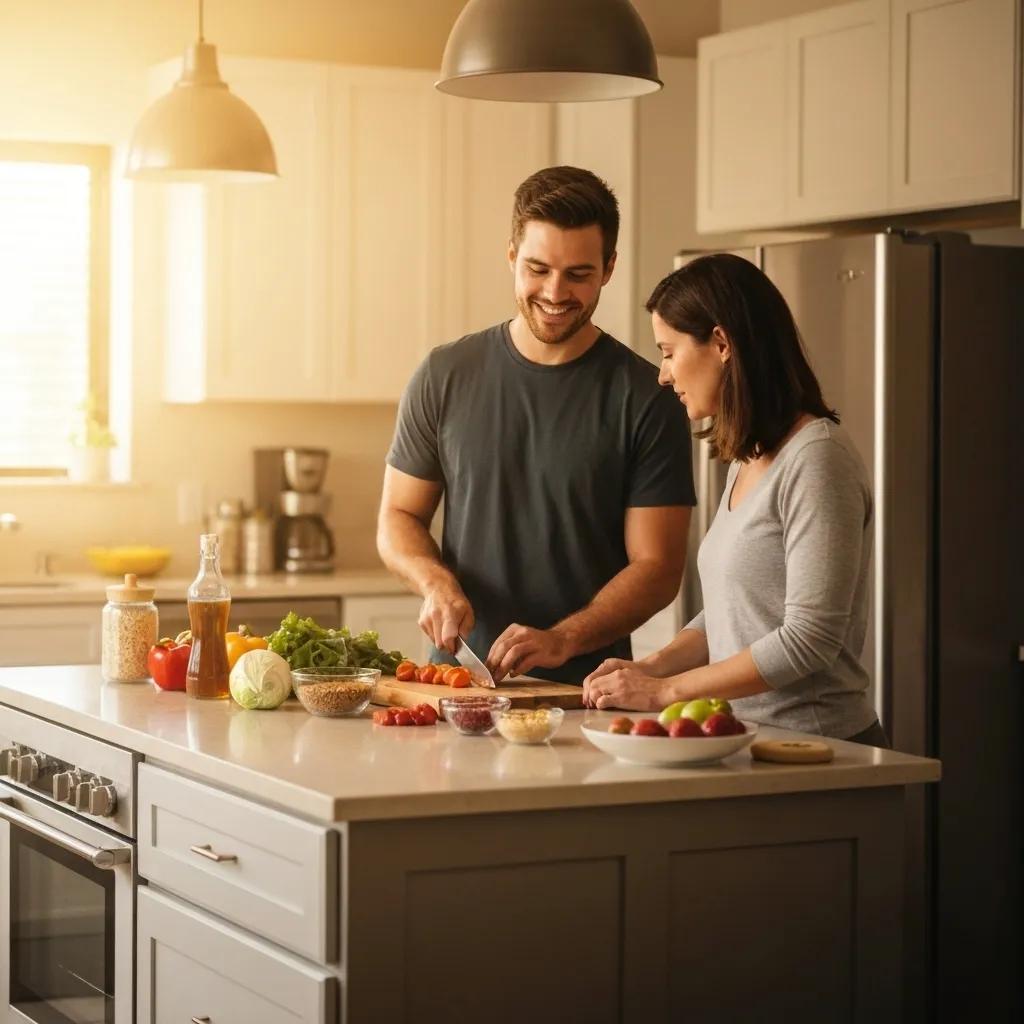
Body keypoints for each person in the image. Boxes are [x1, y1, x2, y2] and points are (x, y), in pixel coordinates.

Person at [377, 166, 695, 684]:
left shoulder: (648, 397)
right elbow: (398, 516)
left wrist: (562, 639)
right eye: (537, 268)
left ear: (609, 268)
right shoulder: (444, 375)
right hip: (456, 685)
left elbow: (658, 568)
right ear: (511, 256)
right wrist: (434, 582)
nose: (554, 292)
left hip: (588, 695)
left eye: (578, 274)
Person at [582, 253, 888, 746]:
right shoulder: (750, 457)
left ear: (721, 343)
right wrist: (651, 668)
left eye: (668, 351)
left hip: (818, 749)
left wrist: (664, 692)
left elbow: (808, 640)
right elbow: (733, 611)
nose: (662, 374)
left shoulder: (817, 459)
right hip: (747, 739)